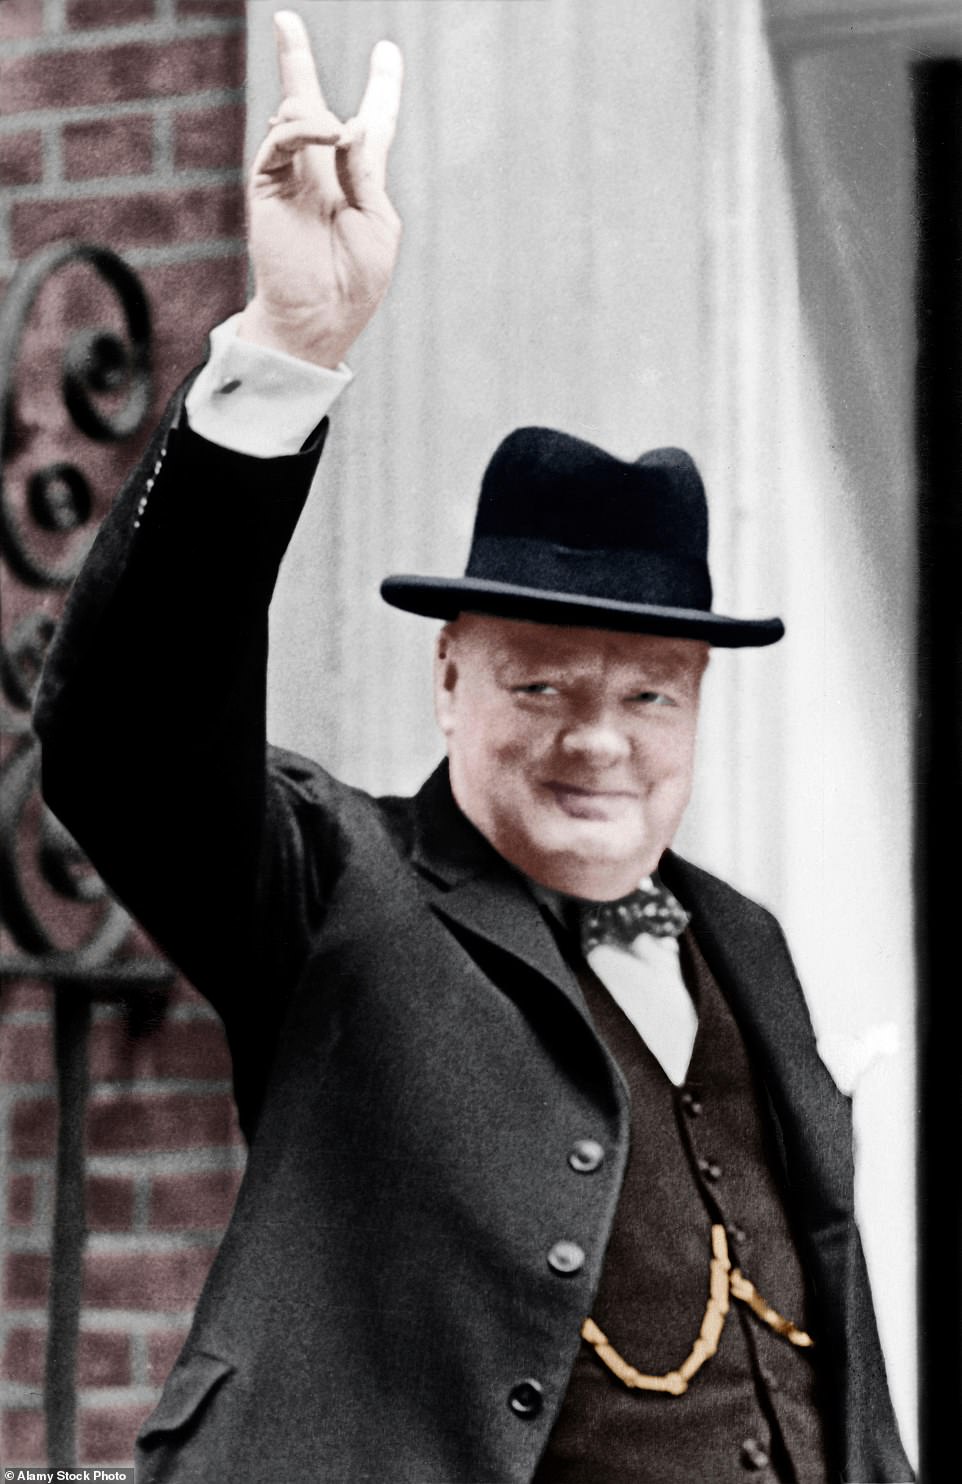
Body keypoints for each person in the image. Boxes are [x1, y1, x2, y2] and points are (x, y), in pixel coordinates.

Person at [35, 11, 913, 1483]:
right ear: (449, 682)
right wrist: (289, 353)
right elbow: (125, 739)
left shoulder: (744, 939)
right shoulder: (337, 886)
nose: (599, 743)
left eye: (649, 696)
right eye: (541, 687)